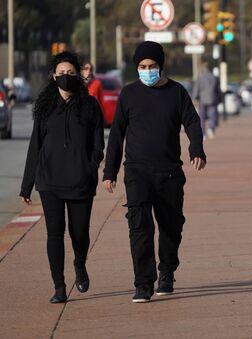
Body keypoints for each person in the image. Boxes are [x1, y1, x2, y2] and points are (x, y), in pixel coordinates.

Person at [103, 41, 207, 303]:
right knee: (139, 227)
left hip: (169, 172)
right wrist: (110, 171)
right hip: (137, 171)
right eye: (142, 67)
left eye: (151, 66)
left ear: (160, 67)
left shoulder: (177, 92)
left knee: (171, 227)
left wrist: (196, 149)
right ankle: (142, 283)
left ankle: (167, 271)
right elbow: (117, 134)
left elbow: (192, 122)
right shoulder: (128, 94)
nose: (147, 70)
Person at [20, 51, 105, 303]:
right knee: (54, 233)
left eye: (70, 73)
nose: (66, 77)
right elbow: (35, 146)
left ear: (78, 75)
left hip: (81, 181)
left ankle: (80, 264)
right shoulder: (45, 107)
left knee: (79, 233)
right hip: (50, 182)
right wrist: (27, 185)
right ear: (53, 76)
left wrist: (89, 168)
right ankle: (59, 286)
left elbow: (98, 145)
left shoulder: (90, 106)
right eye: (61, 73)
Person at [192, 63, 222, 139]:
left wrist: (194, 98)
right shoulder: (214, 77)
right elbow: (218, 90)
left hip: (203, 100)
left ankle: (203, 134)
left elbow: (196, 89)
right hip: (212, 99)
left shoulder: (200, 78)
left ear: (202, 69)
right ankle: (211, 128)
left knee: (202, 117)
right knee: (213, 115)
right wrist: (220, 99)